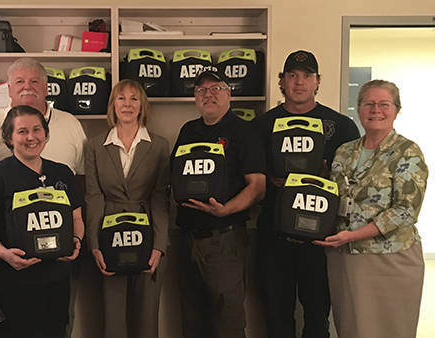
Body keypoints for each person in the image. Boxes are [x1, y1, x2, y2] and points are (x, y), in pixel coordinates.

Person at [253, 50, 360, 338]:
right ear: (282, 82)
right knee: (276, 316)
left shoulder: (341, 126)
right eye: (292, 75)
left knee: (317, 316)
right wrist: (271, 180)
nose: (299, 82)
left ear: (317, 81)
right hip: (274, 237)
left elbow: (353, 183)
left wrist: (326, 180)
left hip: (320, 240)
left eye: (307, 76)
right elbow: (250, 178)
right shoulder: (262, 125)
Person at [314, 80, 428, 338]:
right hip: (344, 257)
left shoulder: (407, 152)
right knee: (352, 328)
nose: (376, 109)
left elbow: (405, 210)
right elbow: (332, 197)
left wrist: (353, 235)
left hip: (390, 258)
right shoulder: (344, 151)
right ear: (359, 108)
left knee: (390, 328)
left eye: (384, 104)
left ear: (396, 110)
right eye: (369, 103)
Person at [0, 105, 84, 338]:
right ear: (9, 138)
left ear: (46, 133)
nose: (31, 137)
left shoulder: (62, 174)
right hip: (10, 281)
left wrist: (76, 240)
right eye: (22, 131)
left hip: (56, 279)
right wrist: (5, 254)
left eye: (37, 129)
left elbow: (76, 217)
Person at [172, 70, 266, 338]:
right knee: (192, 318)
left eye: (216, 88)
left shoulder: (244, 132)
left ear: (229, 93)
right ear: (195, 97)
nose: (208, 94)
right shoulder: (189, 130)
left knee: (228, 319)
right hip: (187, 238)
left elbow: (257, 187)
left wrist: (225, 210)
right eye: (201, 90)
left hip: (223, 238)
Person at [85, 79, 169, 338]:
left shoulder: (160, 146)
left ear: (142, 105)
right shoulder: (95, 146)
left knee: (146, 318)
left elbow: (160, 198)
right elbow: (93, 196)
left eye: (134, 98)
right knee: (113, 319)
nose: (128, 104)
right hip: (109, 236)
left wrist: (159, 246)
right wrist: (95, 244)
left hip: (148, 234)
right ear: (113, 105)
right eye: (121, 98)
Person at [0, 58, 87, 194]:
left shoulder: (70, 123)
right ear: (9, 90)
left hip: (61, 213)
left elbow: (81, 179)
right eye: (20, 81)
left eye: (34, 81)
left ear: (46, 89)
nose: (27, 87)